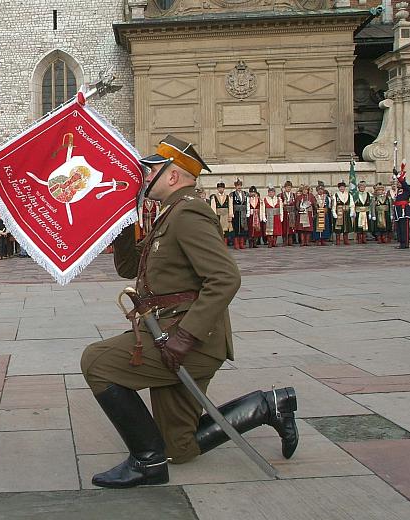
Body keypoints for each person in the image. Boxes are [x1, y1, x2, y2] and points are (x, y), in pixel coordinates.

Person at [80, 134, 298, 489]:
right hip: (168, 332)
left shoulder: (188, 212)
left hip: (189, 341)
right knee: (177, 448)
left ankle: (147, 462)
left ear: (173, 175)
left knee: (96, 361)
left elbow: (225, 278)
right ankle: (270, 405)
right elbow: (130, 268)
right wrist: (122, 227)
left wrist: (184, 338)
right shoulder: (169, 214)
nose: (144, 176)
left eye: (151, 170)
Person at [392, 163, 410, 249]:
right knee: (399, 228)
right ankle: (401, 243)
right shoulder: (398, 191)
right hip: (398, 211)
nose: (398, 183)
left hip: (404, 211)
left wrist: (397, 175)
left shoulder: (407, 188)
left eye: (399, 182)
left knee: (404, 228)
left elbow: (404, 183)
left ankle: (405, 243)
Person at [333, 181, 354, 245]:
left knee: (346, 226)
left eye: (343, 187)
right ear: (338, 188)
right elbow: (334, 205)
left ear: (345, 187)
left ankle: (346, 240)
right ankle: (338, 240)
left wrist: (352, 211)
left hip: (346, 212)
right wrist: (334, 212)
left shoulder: (349, 195)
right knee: (338, 227)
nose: (342, 188)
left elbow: (352, 204)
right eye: (340, 187)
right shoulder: (335, 195)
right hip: (339, 212)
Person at [229, 179, 248, 250]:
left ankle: (241, 243)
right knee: (236, 228)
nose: (239, 187)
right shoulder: (232, 194)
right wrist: (231, 213)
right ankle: (236, 244)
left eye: (240, 185)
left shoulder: (245, 194)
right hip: (236, 212)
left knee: (242, 228)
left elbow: (247, 203)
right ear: (235, 186)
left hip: (243, 212)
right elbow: (230, 204)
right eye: (237, 186)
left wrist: (247, 212)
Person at [353, 180, 372, 245]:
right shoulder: (356, 195)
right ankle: (359, 238)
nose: (362, 188)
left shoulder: (368, 194)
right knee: (359, 225)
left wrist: (370, 213)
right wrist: (353, 212)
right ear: (358, 187)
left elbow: (370, 204)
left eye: (363, 187)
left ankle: (364, 238)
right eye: (361, 187)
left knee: (365, 225)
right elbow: (353, 204)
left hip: (366, 211)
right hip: (358, 212)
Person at [280, 181, 298, 246]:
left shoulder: (293, 195)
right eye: (287, 187)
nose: (288, 188)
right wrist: (283, 203)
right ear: (285, 188)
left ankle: (290, 241)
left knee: (291, 227)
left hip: (291, 212)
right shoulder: (281, 195)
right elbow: (279, 203)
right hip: (285, 212)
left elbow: (295, 203)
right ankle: (285, 241)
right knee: (285, 227)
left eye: (290, 187)